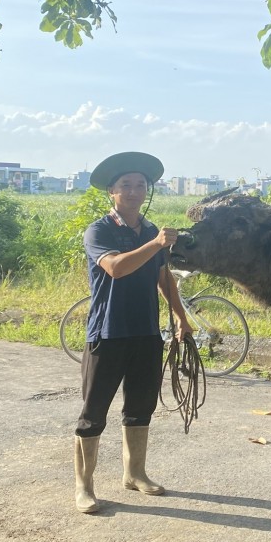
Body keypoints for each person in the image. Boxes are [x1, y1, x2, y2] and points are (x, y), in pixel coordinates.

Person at [73, 151, 191, 514]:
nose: (135, 191)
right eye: (127, 185)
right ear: (112, 191)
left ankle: (135, 473)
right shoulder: (99, 230)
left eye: (141, 185)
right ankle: (84, 486)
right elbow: (115, 268)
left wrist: (179, 316)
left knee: (141, 406)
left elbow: (162, 276)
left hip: (145, 333)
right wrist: (155, 244)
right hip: (107, 333)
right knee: (94, 411)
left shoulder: (150, 230)